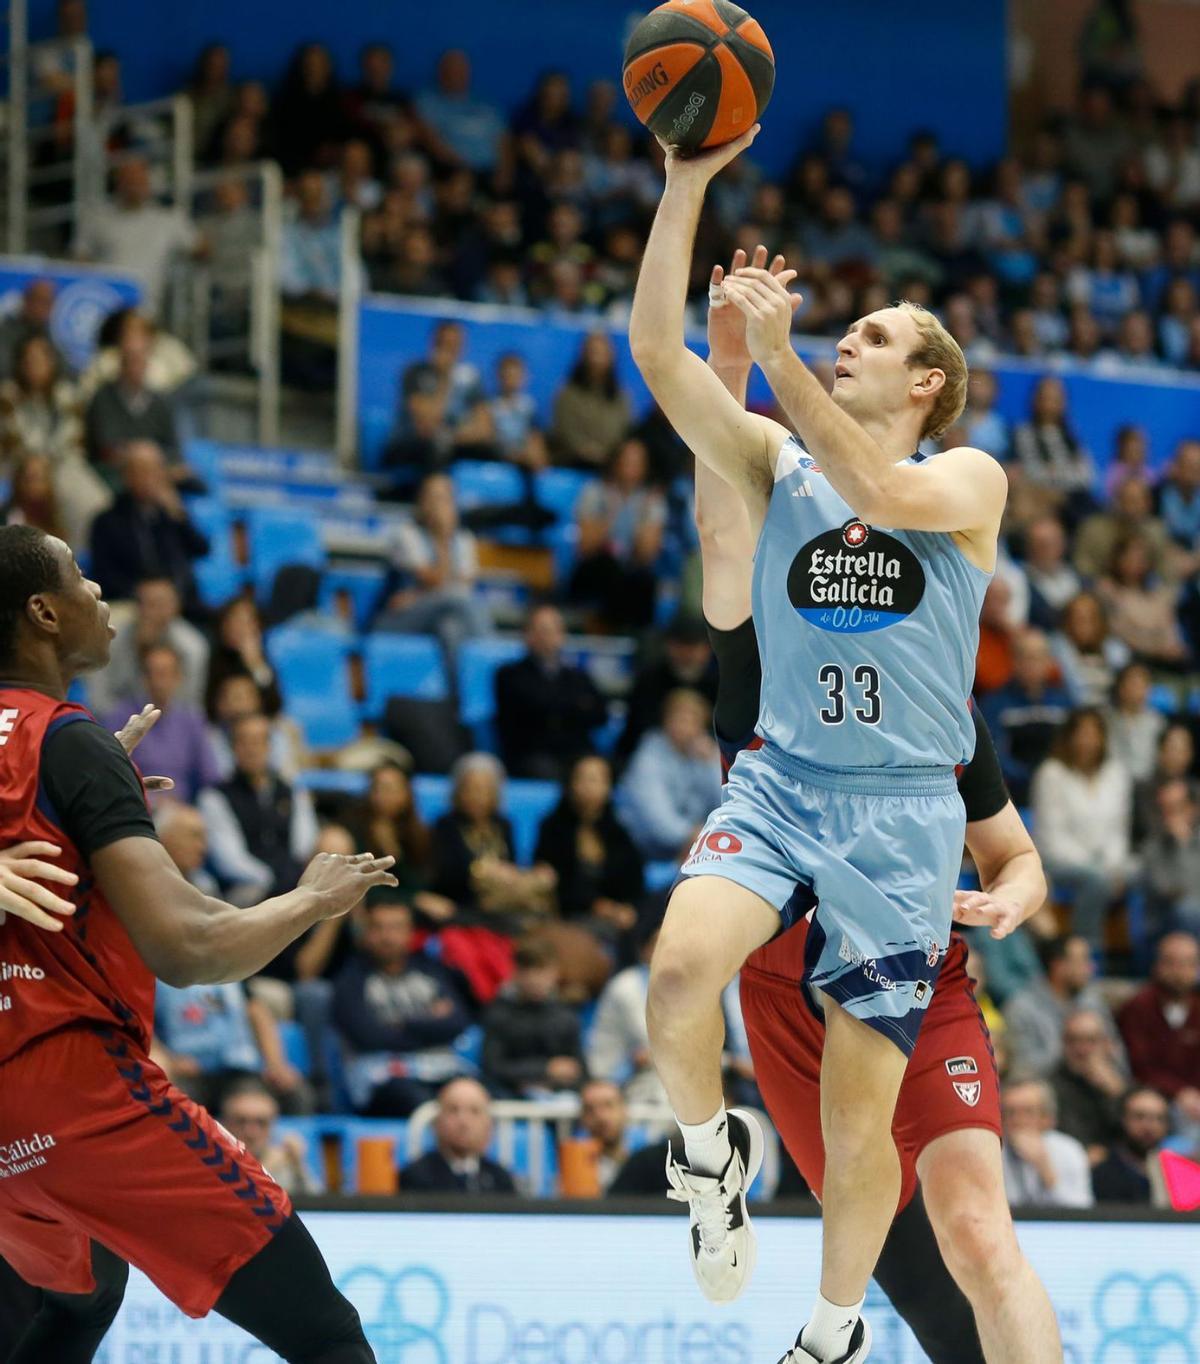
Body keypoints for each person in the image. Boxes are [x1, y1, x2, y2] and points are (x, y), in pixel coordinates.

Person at [630, 127, 1010, 1358]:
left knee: (863, 1135)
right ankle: (705, 1155)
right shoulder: (775, 461)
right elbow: (652, 355)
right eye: (851, 327)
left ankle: (835, 1329)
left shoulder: (967, 478)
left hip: (903, 818)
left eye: (881, 336)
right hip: (784, 782)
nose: (853, 336)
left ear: (927, 388)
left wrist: (783, 357)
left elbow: (887, 497)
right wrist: (686, 185)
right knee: (679, 975)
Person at [692, 246, 1060, 1363]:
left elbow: (1017, 855)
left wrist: (1012, 898)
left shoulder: (930, 693)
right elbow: (721, 492)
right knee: (903, 1265)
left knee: (980, 1229)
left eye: (878, 334)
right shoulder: (765, 585)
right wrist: (726, 347)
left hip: (916, 954)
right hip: (787, 977)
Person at [0, 522, 396, 1362]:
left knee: (78, 1306)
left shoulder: (64, 751)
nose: (98, 592)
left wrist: (87, 795)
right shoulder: (65, 742)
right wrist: (308, 900)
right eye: (80, 577)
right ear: (41, 611)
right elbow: (190, 948)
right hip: (77, 1095)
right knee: (328, 1334)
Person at [331, 896, 472, 1116]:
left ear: (410, 933)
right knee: (427, 1105)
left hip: (440, 1069)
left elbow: (457, 1022)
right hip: (382, 1079)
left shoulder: (431, 970)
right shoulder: (350, 979)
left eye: (396, 928)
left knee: (482, 1094)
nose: (388, 937)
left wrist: (403, 1023)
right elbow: (368, 1037)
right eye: (378, 928)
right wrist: (430, 1023)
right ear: (365, 933)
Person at [1030, 708, 1132, 948]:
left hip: (1108, 863)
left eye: (1094, 734)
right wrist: (1098, 867)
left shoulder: (1116, 774)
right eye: (1082, 733)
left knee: (1146, 873)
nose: (1088, 740)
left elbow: (1120, 829)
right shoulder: (1051, 773)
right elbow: (1051, 837)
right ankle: (1086, 952)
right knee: (1096, 880)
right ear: (1069, 737)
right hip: (1059, 861)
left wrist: (1112, 864)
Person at [197, 712, 319, 907]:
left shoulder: (291, 790)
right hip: (246, 888)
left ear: (269, 746)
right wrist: (270, 879)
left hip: (291, 882)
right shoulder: (215, 797)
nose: (251, 749)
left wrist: (292, 880)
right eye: (244, 742)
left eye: (258, 741)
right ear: (233, 748)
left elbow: (303, 843)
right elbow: (228, 858)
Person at [534, 752, 644, 940]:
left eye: (596, 780)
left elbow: (634, 884)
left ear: (609, 786)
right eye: (582, 779)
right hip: (569, 916)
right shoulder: (553, 828)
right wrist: (599, 907)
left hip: (616, 917)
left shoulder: (619, 832)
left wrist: (626, 909)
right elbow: (552, 881)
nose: (588, 786)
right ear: (570, 784)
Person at [74, 156, 201, 317]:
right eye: (129, 179)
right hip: (104, 309)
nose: (134, 185)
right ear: (118, 182)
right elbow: (80, 260)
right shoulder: (98, 218)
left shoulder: (168, 220)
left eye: (139, 179)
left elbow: (201, 249)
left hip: (147, 311)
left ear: (148, 183)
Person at [88, 442, 209, 610]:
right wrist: (139, 592)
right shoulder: (107, 521)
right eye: (141, 471)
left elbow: (201, 548)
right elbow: (104, 575)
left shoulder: (170, 516)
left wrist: (179, 515)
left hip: (178, 606)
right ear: (126, 476)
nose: (149, 478)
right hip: (129, 604)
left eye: (154, 470)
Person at [494, 603, 607, 780]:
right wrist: (574, 706)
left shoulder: (579, 676)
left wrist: (554, 708)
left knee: (600, 771)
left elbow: (600, 714)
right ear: (527, 635)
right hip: (532, 755)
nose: (548, 637)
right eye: (541, 630)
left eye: (554, 630)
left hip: (575, 752)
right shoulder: (509, 674)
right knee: (546, 771)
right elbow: (521, 719)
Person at [104, 642, 221, 804]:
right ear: (144, 678)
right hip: (139, 804)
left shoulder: (192, 720)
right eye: (155, 673)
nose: (160, 681)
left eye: (166, 673)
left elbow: (209, 776)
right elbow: (112, 775)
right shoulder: (121, 717)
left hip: (185, 807)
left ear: (178, 677)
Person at [616, 689, 723, 863]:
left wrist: (711, 762)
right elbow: (658, 821)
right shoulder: (648, 756)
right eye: (680, 718)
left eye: (692, 719)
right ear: (666, 720)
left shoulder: (706, 752)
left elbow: (725, 802)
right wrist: (696, 835)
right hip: (646, 850)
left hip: (697, 845)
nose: (685, 725)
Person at [88, 574, 209, 717]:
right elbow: (98, 701)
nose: (156, 613)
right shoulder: (110, 639)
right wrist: (139, 652)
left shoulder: (193, 647)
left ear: (176, 606)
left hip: (174, 725)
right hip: (119, 723)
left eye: (162, 604)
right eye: (150, 604)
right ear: (137, 607)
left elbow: (190, 703)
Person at [1117, 931, 1200, 1133]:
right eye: (1171, 962)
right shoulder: (1138, 1008)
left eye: (1187, 963)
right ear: (1157, 965)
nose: (1179, 971)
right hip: (1153, 1099)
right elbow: (1140, 1065)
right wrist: (1180, 1093)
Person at [481, 936, 584, 1097]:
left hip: (560, 1105)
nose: (535, 979)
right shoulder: (498, 1014)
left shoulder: (566, 1016)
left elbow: (581, 1071)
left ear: (555, 973)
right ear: (516, 972)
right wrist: (545, 1068)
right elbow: (492, 1067)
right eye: (528, 971)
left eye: (542, 971)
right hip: (510, 1100)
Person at [980, 628, 1072, 805]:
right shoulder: (994, 704)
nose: (1032, 664)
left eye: (1039, 657)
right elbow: (994, 756)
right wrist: (1031, 778)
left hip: (1060, 793)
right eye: (1026, 657)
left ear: (1049, 661)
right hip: (1013, 796)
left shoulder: (1063, 703)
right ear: (1013, 661)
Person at [1004, 935, 1117, 1077]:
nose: (1091, 967)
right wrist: (1076, 1052)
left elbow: (1116, 1051)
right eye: (1083, 960)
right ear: (1059, 966)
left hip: (1098, 1080)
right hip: (1049, 1087)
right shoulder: (1021, 1008)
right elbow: (1022, 1068)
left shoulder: (1094, 1001)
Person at [83, 315, 182, 469]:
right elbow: (105, 447)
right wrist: (140, 455)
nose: (136, 367)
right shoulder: (103, 397)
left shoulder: (160, 400)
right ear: (121, 363)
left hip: (155, 470)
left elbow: (174, 449)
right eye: (131, 361)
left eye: (140, 361)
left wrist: (152, 456)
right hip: (111, 471)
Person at [399, 1077, 516, 1194]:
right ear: (437, 1122)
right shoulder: (415, 1177)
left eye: (474, 1111)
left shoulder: (501, 1179)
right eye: (453, 1110)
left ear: (489, 1125)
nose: (463, 1121)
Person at [1000, 1078, 1094, 1209]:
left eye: (1028, 1112)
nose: (1018, 1120)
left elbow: (1081, 1210)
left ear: (1048, 1118)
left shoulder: (1069, 1150)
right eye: (1010, 1113)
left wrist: (1044, 1168)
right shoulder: (992, 1151)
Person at [219, 1078, 321, 1197]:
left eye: (261, 1123)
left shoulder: (288, 1163)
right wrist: (267, 1167)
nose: (251, 1132)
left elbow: (320, 1208)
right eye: (241, 1122)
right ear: (224, 1125)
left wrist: (299, 1166)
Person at [1049, 1009, 1125, 1162]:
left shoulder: (1118, 1082)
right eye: (1074, 1040)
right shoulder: (1050, 1084)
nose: (1082, 1049)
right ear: (1063, 1043)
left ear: (1106, 1044)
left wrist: (1117, 1094)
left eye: (1090, 1041)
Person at [1091, 1086, 1171, 1205]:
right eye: (1140, 1117)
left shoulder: (1176, 1172)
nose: (1149, 1126)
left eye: (1158, 1118)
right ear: (1122, 1120)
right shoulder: (1103, 1173)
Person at [578, 1079, 632, 1194]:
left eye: (608, 1105)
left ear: (624, 1111)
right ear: (582, 1119)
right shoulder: (574, 1167)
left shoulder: (648, 1160)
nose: (600, 1116)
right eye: (590, 1109)